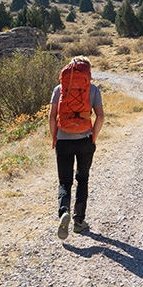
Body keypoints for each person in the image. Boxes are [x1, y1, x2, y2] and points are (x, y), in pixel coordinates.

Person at [49, 56, 104, 240]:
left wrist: (54, 138)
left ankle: (63, 212)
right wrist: (93, 137)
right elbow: (101, 117)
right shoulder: (93, 89)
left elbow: (51, 117)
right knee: (82, 179)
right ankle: (79, 222)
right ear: (87, 72)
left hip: (63, 140)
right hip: (85, 140)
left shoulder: (60, 89)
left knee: (64, 182)